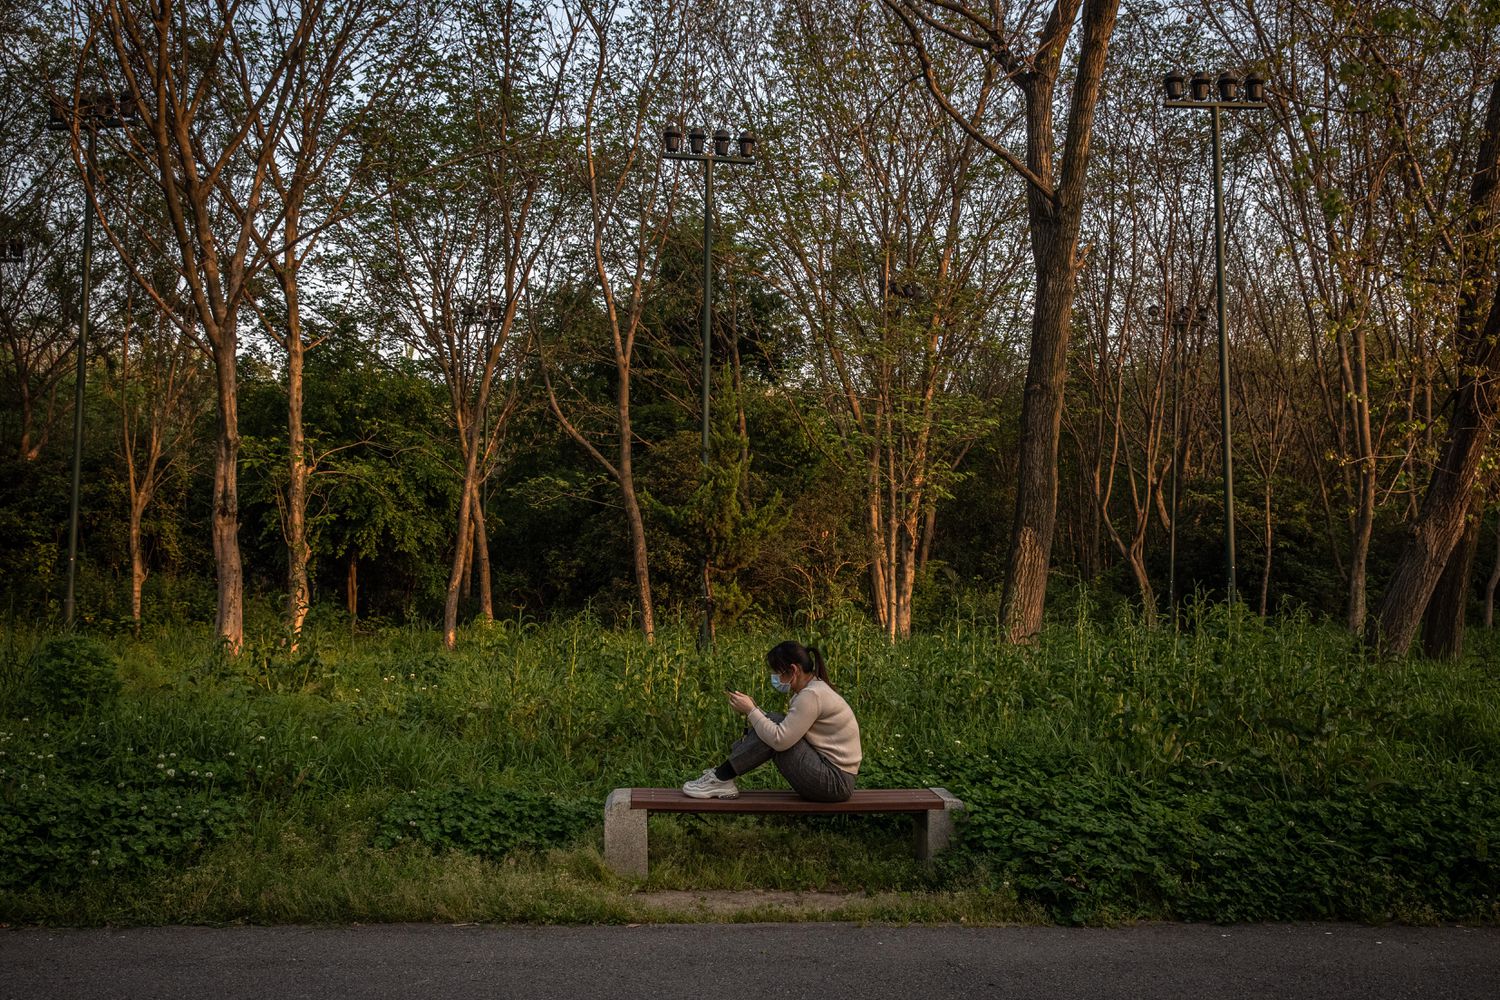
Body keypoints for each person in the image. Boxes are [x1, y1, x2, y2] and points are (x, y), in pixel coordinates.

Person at [682, 640, 861, 802]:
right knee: (771, 722)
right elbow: (782, 731)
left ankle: (721, 777)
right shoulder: (814, 689)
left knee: (773, 727)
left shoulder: (812, 695)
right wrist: (754, 709)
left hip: (835, 782)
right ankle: (722, 777)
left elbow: (779, 740)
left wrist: (751, 711)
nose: (776, 679)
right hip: (832, 775)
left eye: (779, 673)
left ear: (794, 670)